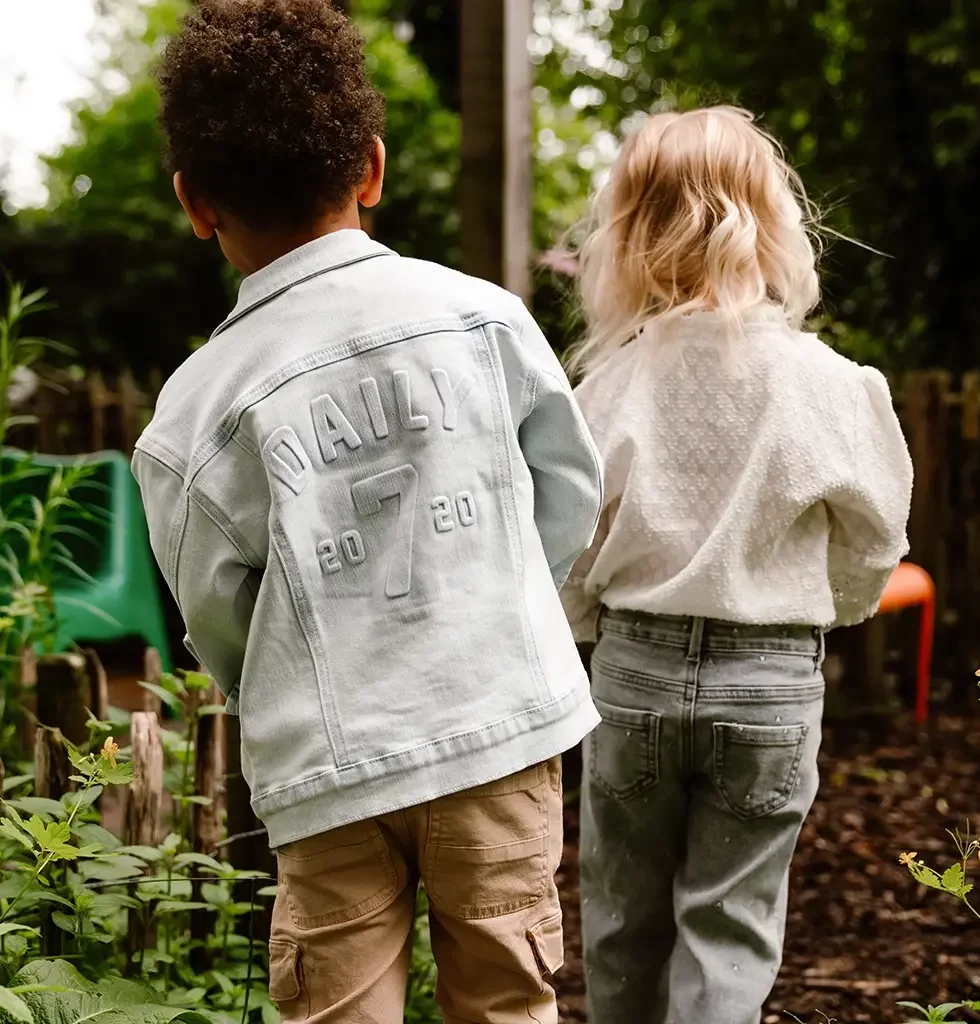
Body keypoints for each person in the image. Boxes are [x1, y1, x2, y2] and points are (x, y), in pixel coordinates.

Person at [134, 3, 603, 1021]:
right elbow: (568, 489)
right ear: (374, 168)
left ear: (194, 204)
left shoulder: (194, 409)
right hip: (498, 728)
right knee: (508, 1002)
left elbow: (214, 614)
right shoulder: (483, 320)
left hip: (328, 769)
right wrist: (502, 596)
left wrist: (284, 675)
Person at [561, 106, 913, 1024]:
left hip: (631, 673)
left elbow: (568, 546)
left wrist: (587, 630)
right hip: (770, 681)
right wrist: (816, 610)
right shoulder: (831, 385)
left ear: (630, 236)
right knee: (732, 934)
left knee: (619, 929)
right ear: (773, 221)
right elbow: (876, 539)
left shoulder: (611, 387)